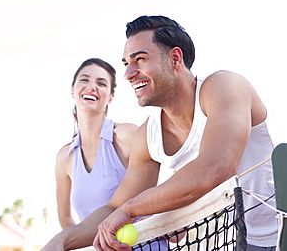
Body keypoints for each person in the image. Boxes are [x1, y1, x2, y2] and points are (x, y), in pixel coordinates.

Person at [41, 16, 278, 251]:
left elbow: (215, 168)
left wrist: (131, 208)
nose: (128, 73)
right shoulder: (147, 135)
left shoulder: (223, 86)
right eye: (126, 63)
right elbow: (114, 208)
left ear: (175, 57)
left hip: (268, 241)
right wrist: (61, 240)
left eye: (140, 59)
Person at [56, 58, 139, 228]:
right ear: (73, 91)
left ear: (110, 97)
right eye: (84, 80)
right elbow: (65, 218)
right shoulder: (65, 157)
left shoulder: (127, 135)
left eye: (101, 83)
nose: (91, 87)